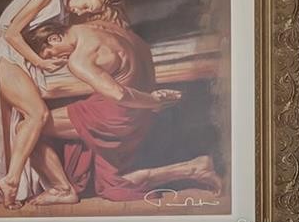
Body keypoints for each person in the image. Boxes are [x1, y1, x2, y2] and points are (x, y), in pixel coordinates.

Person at [26, 11, 219, 203]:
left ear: (54, 38)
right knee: (110, 182)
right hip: (138, 108)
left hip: (119, 114)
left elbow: (119, 94)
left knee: (27, 129)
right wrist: (149, 97)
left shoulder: (80, 59)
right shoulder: (102, 25)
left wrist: (153, 100)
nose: (54, 60)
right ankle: (193, 168)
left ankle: (62, 189)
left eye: (49, 54)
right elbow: (140, 52)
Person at [0, 0, 119, 208]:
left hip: (21, 57)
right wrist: (41, 62)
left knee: (30, 124)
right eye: (86, 6)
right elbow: (12, 33)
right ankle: (11, 180)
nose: (82, 12)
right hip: (6, 53)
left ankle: (54, 186)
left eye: (87, 12)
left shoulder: (62, 8)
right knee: (38, 114)